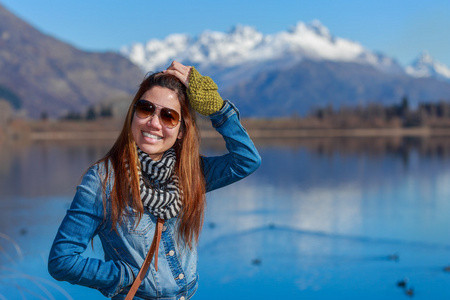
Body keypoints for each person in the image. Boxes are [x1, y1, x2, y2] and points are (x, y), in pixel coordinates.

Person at [48, 61, 261, 299]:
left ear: (181, 131)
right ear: (133, 114)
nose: (154, 122)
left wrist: (216, 107)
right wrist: (125, 277)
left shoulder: (190, 173)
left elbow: (247, 160)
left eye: (169, 116)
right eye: (146, 108)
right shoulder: (103, 180)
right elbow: (62, 260)